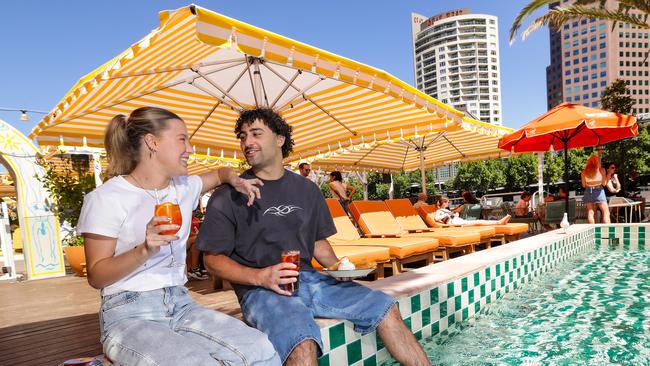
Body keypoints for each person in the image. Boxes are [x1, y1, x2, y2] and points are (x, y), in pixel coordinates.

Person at [197, 108, 430, 365]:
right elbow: (212, 260)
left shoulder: (307, 189)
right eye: (242, 136)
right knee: (302, 340)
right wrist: (260, 276)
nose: (247, 142)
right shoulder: (229, 195)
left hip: (313, 281)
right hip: (262, 291)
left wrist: (341, 268)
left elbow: (318, 244)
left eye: (256, 134)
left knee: (385, 306)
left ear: (279, 139)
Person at [77, 107, 280, 365]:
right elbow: (96, 275)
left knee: (259, 348)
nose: (190, 149)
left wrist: (236, 180)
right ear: (152, 142)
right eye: (182, 139)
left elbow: (220, 173)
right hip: (128, 313)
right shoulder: (107, 198)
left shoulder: (184, 187)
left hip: (182, 304)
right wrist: (144, 249)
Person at [433, 196, 511, 226]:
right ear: (442, 203)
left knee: (478, 221)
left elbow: (451, 215)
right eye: (446, 202)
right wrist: (447, 215)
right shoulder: (439, 211)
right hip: (454, 223)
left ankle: (498, 222)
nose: (448, 203)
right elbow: (436, 218)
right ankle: (498, 222)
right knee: (478, 222)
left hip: (458, 220)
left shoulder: (446, 210)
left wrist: (455, 214)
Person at [581, 154, 610, 224]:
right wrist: (608, 176)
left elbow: (584, 185)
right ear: (597, 162)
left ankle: (591, 231)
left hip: (588, 191)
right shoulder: (601, 170)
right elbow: (604, 184)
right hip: (599, 190)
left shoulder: (584, 172)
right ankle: (608, 230)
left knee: (590, 212)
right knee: (606, 212)